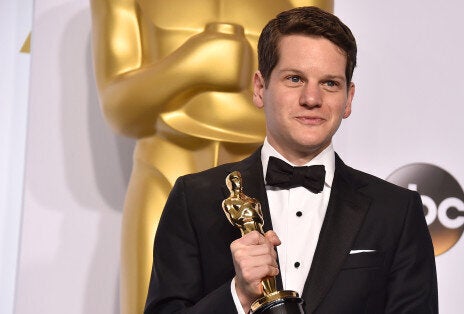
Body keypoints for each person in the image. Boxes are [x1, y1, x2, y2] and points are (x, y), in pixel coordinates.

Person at [145, 6, 438, 313]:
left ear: (348, 99)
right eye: (295, 78)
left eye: (329, 83)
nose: (311, 99)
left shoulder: (396, 211)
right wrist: (238, 296)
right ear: (260, 89)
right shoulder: (195, 199)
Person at [89, 1, 332, 313]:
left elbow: (312, 96)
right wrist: (191, 65)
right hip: (165, 169)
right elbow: (120, 112)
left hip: (268, 181)